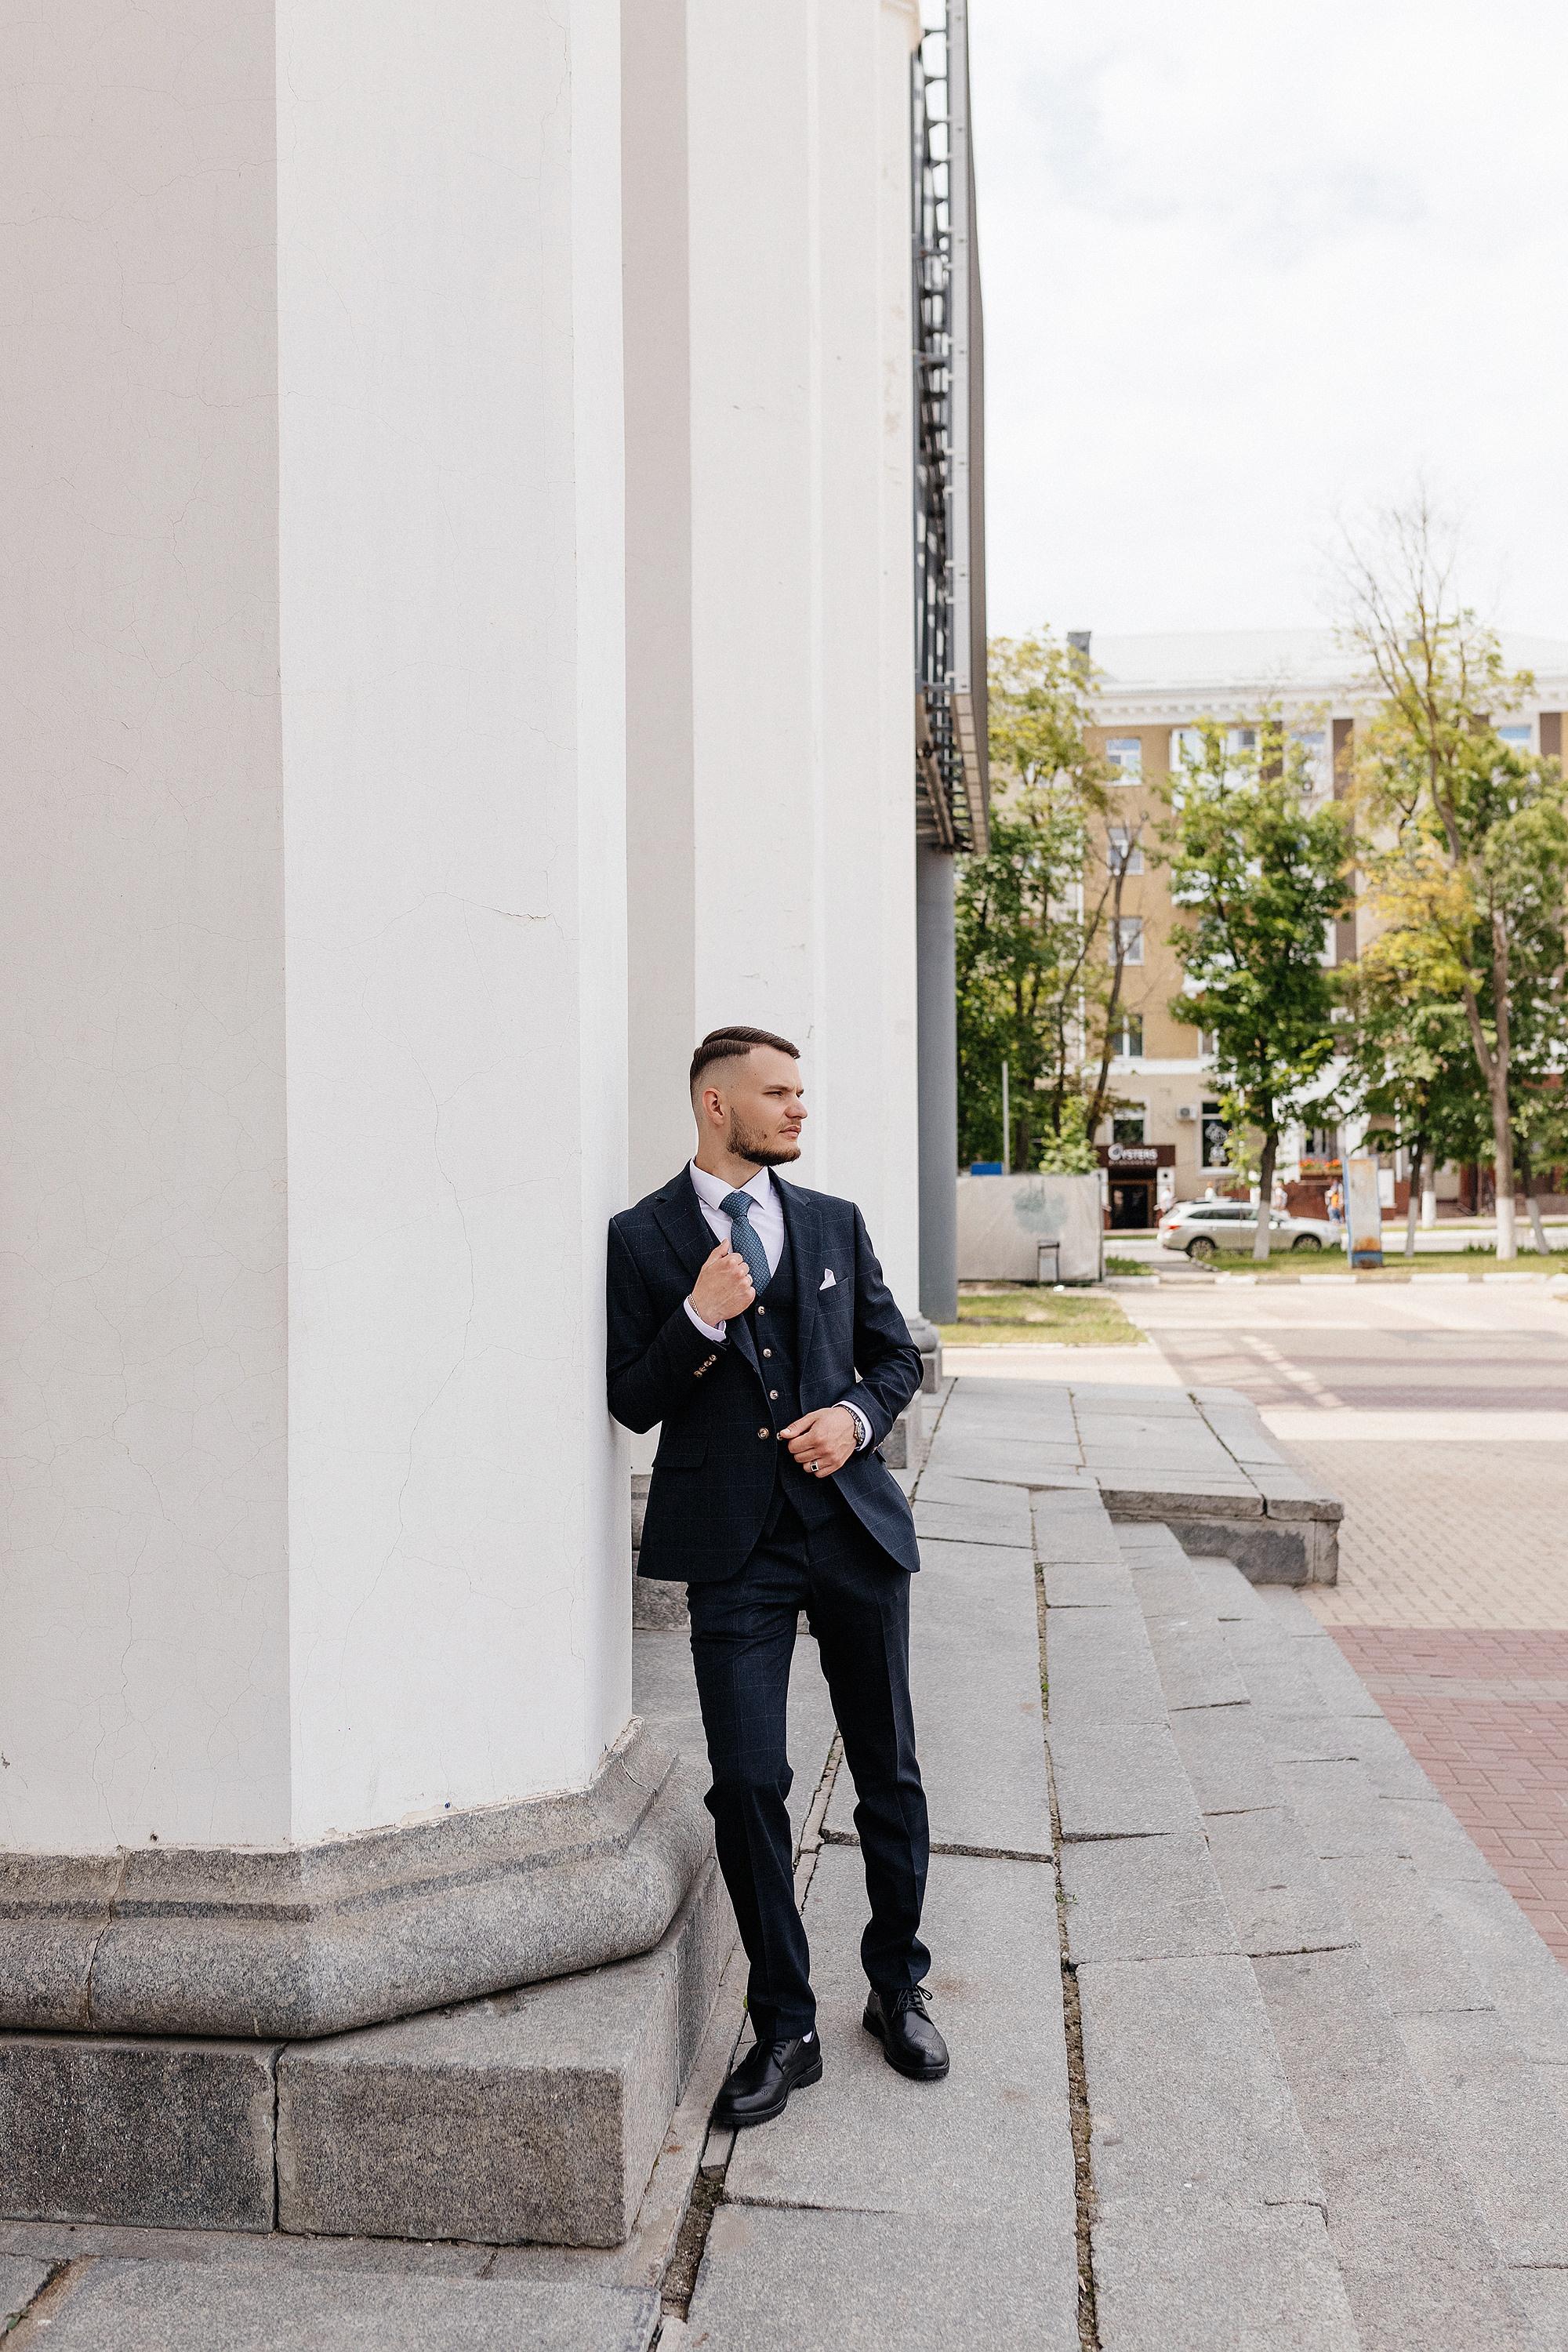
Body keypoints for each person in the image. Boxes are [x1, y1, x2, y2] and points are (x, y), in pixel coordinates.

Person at [607, 1025, 946, 2130]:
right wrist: (702, 1313)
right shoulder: (643, 1236)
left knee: (887, 1769)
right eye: (777, 1094)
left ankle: (897, 1986)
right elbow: (632, 1398)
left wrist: (854, 1421)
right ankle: (785, 2023)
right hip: (731, 1552)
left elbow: (899, 1359)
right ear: (716, 1104)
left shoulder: (834, 1223)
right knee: (749, 1781)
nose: (799, 1111)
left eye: (802, 1093)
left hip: (849, 1533)